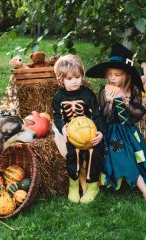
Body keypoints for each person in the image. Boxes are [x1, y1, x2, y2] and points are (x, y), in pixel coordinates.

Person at [86, 43, 146, 205]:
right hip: (112, 133)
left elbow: (138, 114)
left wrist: (126, 102)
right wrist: (108, 103)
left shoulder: (134, 90)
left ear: (126, 75)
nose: (112, 78)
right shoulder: (103, 91)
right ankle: (145, 192)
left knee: (141, 157)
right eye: (109, 74)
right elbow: (103, 117)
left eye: (117, 74)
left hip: (129, 131)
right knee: (127, 158)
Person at [52, 54, 104, 204]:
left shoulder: (87, 94)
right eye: (69, 79)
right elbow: (57, 117)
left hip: (90, 132)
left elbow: (97, 115)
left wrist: (100, 133)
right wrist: (63, 129)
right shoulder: (58, 97)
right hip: (71, 134)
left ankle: (93, 186)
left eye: (77, 77)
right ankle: (73, 187)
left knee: (94, 153)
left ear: (82, 75)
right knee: (72, 155)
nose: (74, 81)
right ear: (61, 80)